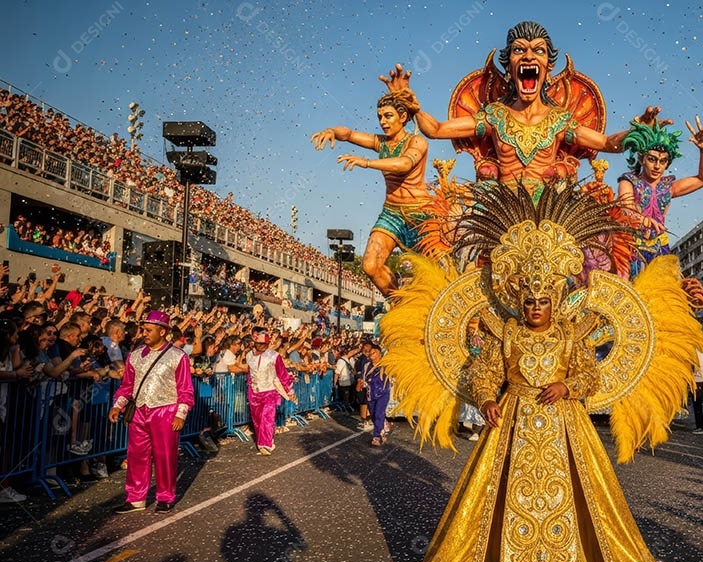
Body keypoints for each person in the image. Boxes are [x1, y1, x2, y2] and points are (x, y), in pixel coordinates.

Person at [379, 182, 703, 562]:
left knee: (583, 496)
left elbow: (591, 377)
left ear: (554, 301)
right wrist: (488, 399)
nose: (534, 307)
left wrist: (568, 385)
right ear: (520, 300)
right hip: (513, 420)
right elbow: (484, 372)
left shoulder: (571, 334)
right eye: (529, 300)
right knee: (507, 497)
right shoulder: (507, 332)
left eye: (542, 301)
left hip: (564, 423)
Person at [380, 21, 664, 196]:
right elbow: (437, 130)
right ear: (508, 65)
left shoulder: (559, 121)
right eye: (519, 50)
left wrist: (639, 130)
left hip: (550, 219)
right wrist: (409, 103)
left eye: (538, 50)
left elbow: (606, 144)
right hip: (501, 216)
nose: (528, 55)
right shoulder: (494, 116)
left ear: (548, 66)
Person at [311, 91, 430, 296]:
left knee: (432, 273)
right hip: (391, 213)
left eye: (388, 116)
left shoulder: (417, 142)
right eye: (380, 117)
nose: (383, 121)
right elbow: (348, 134)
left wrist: (366, 163)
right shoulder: (380, 142)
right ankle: (399, 304)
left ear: (402, 117)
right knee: (370, 265)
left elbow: (404, 164)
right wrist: (332, 131)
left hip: (419, 215)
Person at [108, 311, 194, 514]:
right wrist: (117, 405)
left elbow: (185, 389)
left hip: (165, 411)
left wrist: (180, 414)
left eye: (148, 330)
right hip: (139, 411)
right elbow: (127, 385)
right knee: (136, 455)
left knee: (165, 455)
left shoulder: (178, 356)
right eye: (143, 329)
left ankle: (165, 496)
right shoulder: (134, 355)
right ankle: (135, 498)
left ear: (162, 331)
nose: (144, 333)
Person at [617, 119, 703, 278]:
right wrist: (643, 220)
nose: (657, 166)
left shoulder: (668, 187)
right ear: (641, 158)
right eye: (652, 159)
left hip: (660, 248)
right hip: (631, 247)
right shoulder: (629, 181)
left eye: (663, 161)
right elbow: (625, 209)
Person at [246, 327, 296, 456]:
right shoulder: (249, 355)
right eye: (260, 344)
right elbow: (249, 373)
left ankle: (265, 444)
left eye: (265, 344)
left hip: (269, 391)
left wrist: (289, 391)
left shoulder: (274, 356)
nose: (263, 347)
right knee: (257, 419)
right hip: (254, 392)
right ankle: (261, 440)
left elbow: (282, 375)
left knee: (267, 417)